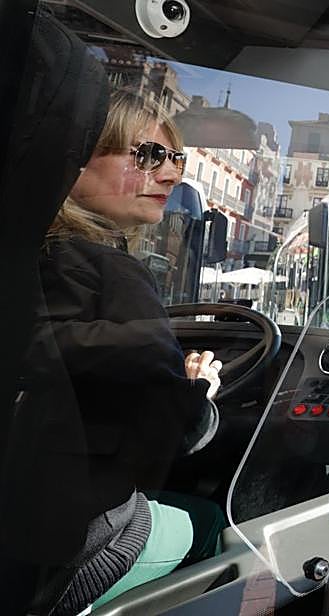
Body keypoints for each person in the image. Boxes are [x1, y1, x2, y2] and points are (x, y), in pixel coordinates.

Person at [22, 90, 223, 614]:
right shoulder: (112, 275)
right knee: (218, 529)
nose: (171, 175)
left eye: (175, 159)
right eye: (148, 156)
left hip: (26, 527)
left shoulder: (33, 257)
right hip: (76, 542)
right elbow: (167, 436)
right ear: (77, 159)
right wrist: (199, 389)